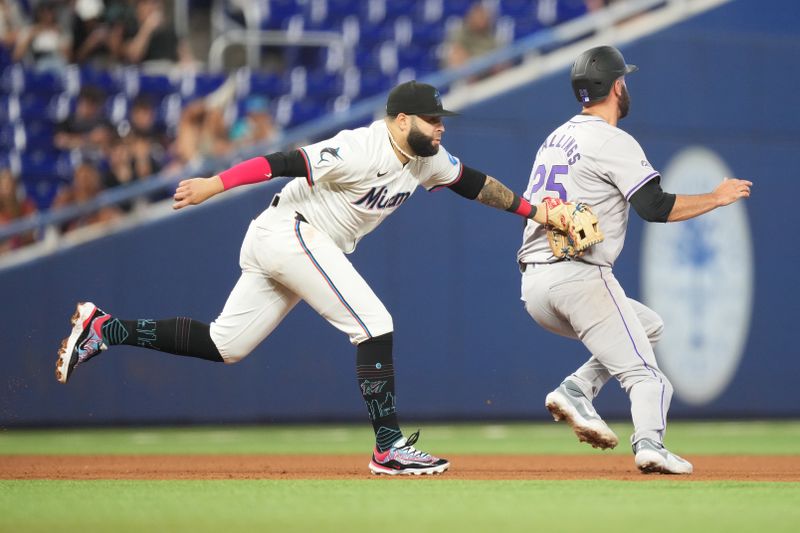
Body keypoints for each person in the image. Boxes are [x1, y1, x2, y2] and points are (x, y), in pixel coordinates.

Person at [56, 80, 574, 476]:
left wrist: (536, 212)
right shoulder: (361, 147)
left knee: (225, 343)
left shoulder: (426, 159)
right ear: (399, 121)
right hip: (289, 231)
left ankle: (104, 328)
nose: (441, 128)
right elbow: (284, 160)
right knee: (373, 323)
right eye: (431, 119)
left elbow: (474, 183)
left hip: (293, 242)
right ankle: (388, 447)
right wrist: (216, 182)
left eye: (442, 120)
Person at [516, 46, 752, 474]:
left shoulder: (554, 139)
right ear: (617, 86)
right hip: (580, 278)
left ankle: (576, 388)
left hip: (534, 286)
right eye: (625, 80)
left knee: (647, 325)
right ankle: (650, 444)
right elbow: (654, 206)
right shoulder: (611, 140)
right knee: (648, 377)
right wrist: (717, 198)